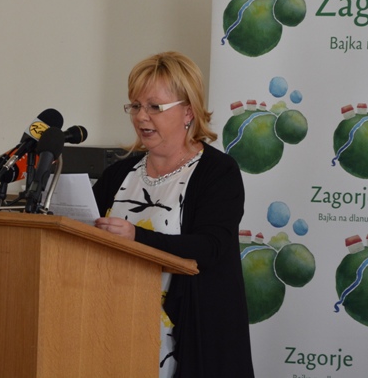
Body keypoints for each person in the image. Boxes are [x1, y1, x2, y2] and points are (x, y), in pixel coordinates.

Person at [93, 51, 255, 378]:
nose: (141, 117)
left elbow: (211, 247)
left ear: (188, 111)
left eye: (154, 107)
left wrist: (136, 237)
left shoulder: (218, 172)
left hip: (191, 334)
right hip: (117, 327)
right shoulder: (118, 174)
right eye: (135, 106)